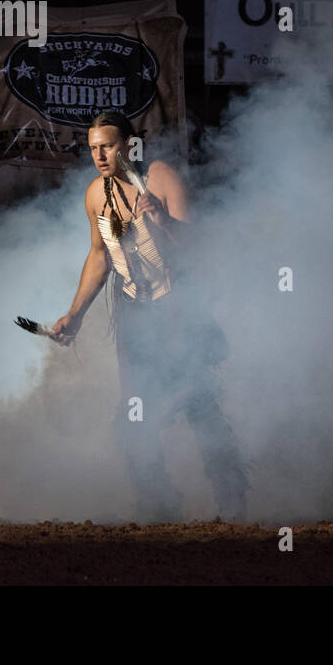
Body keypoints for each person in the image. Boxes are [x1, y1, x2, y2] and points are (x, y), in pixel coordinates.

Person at [51, 111, 247, 523]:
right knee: (133, 413)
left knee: (197, 401)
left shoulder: (161, 178)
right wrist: (75, 314)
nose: (99, 155)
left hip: (178, 307)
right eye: (92, 148)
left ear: (129, 143)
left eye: (107, 145)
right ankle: (159, 503)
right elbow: (99, 256)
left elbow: (197, 248)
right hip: (134, 312)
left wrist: (163, 221)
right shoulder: (95, 195)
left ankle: (232, 501)